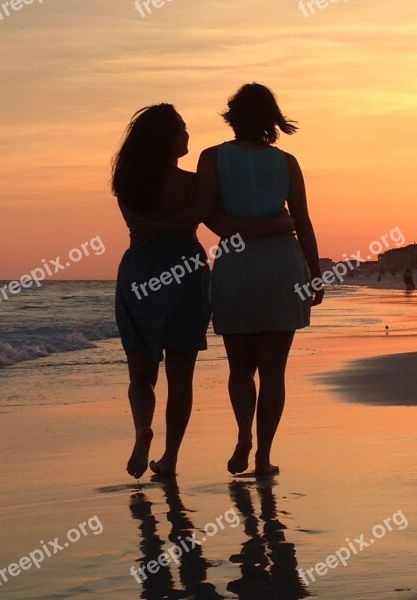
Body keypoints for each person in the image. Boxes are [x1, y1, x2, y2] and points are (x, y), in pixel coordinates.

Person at [113, 104, 295, 478]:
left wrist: (157, 230)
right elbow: (215, 222)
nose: (187, 136)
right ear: (167, 138)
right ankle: (170, 458)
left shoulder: (126, 184)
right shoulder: (191, 184)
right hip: (184, 275)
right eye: (181, 129)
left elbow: (142, 228)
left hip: (140, 274)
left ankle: (142, 430)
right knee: (181, 378)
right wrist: (282, 223)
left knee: (140, 372)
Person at [198, 83, 324, 476]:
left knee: (239, 368)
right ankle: (263, 457)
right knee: (273, 372)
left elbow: (208, 215)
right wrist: (316, 274)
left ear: (232, 117)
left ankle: (243, 436)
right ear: (272, 119)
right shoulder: (287, 162)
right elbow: (301, 221)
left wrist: (242, 229)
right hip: (282, 266)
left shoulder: (212, 157)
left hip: (236, 265)